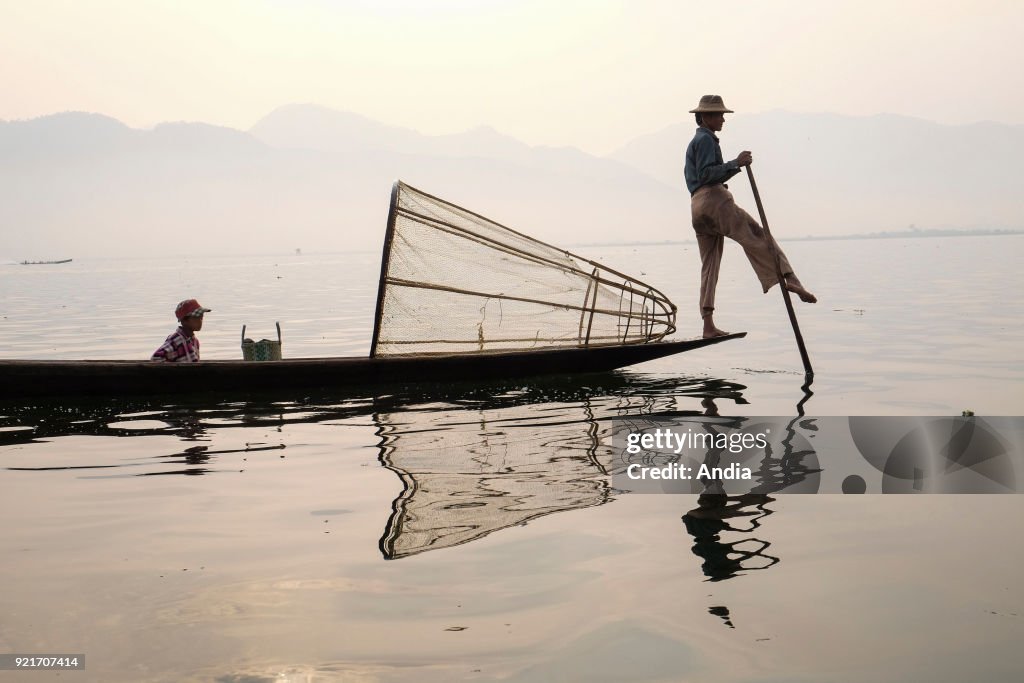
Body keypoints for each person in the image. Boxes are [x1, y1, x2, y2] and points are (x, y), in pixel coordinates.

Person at [684, 95, 816, 338]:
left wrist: (735, 167)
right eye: (719, 115)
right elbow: (707, 175)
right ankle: (790, 277)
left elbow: (709, 176)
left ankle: (708, 325)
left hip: (697, 207)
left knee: (709, 266)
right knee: (756, 234)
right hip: (714, 200)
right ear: (704, 117)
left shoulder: (699, 140)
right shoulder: (705, 139)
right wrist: (737, 162)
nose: (723, 119)